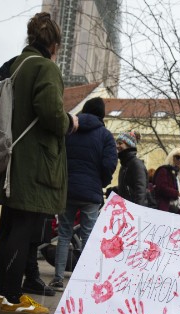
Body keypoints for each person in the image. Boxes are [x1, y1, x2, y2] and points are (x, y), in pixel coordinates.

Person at [0, 12, 78, 314]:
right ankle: (13, 298)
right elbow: (51, 112)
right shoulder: (45, 67)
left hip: (13, 157)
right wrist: (71, 121)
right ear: (54, 42)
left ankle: (1, 293)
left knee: (11, 225)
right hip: (34, 161)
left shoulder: (16, 65)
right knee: (23, 228)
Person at [49, 97, 117, 291]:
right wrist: (100, 182)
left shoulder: (70, 129)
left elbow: (57, 156)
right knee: (88, 236)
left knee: (64, 234)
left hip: (67, 189)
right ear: (102, 114)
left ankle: (58, 278)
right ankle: (84, 280)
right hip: (91, 193)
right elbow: (109, 164)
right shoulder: (105, 135)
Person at [114, 131, 148, 206]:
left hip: (133, 209)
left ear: (128, 145)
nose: (117, 146)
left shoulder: (136, 164)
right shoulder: (124, 164)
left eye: (120, 143)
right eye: (117, 143)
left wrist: (138, 210)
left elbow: (140, 191)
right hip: (126, 207)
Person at [152, 148, 180, 214]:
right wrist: (179, 194)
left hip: (177, 212)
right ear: (172, 157)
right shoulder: (164, 170)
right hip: (164, 209)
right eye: (177, 157)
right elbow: (161, 188)